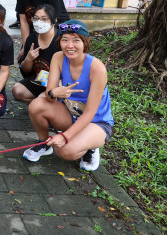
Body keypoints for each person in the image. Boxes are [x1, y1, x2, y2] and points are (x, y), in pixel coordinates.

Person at [23, 21, 114, 172]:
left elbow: (90, 113)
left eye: (76, 40)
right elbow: (49, 95)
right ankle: (43, 143)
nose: (69, 45)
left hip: (97, 122)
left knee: (64, 151)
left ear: (86, 42)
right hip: (71, 114)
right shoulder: (58, 57)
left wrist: (64, 137)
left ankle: (91, 146)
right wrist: (53, 93)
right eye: (65, 40)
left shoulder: (97, 68)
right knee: (36, 105)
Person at [12, 4, 60, 103]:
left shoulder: (61, 40)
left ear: (54, 21)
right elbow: (25, 70)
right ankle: (43, 101)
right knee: (17, 90)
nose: (39, 22)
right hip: (38, 81)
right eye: (36, 18)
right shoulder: (32, 38)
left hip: (57, 83)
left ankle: (44, 102)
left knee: (43, 99)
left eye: (44, 19)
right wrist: (28, 59)